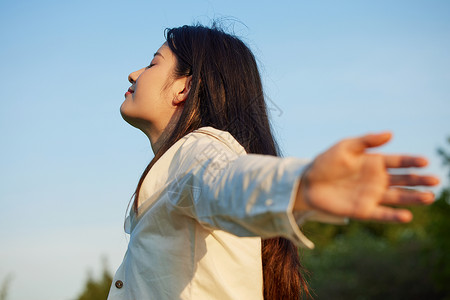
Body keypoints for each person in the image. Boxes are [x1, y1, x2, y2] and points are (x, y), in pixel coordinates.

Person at [107, 24, 439, 300]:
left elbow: (226, 179)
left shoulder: (195, 151)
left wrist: (302, 184)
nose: (133, 74)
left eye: (152, 64)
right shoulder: (178, 162)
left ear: (185, 87)